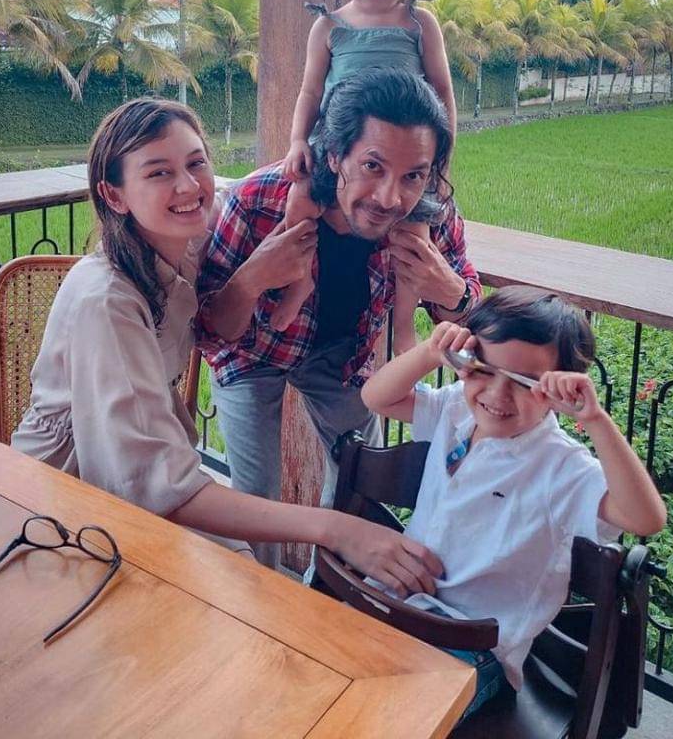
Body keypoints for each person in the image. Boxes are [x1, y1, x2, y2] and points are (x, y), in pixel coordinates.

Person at [11, 98, 443, 596]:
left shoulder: (188, 238)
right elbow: (158, 489)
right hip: (68, 498)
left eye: (196, 163)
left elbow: (272, 191)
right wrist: (336, 529)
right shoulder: (107, 303)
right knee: (244, 582)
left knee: (249, 577)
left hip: (155, 466)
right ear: (114, 195)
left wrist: (342, 185)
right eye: (158, 173)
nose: (187, 187)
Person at [196, 68, 480, 567]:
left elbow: (471, 313)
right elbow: (210, 330)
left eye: (413, 176)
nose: (390, 198)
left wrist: (450, 291)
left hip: (344, 358)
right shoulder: (260, 201)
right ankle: (259, 595)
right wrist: (251, 279)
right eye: (372, 166)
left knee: (361, 480)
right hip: (252, 352)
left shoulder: (431, 218)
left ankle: (325, 591)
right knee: (255, 495)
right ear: (333, 155)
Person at [361, 287, 667, 716]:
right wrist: (430, 352)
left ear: (559, 390)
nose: (497, 395)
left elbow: (646, 518)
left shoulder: (560, 467)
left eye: (525, 383)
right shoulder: (456, 411)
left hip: (472, 648)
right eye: (483, 370)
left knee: (387, 717)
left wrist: (595, 420)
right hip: (398, 602)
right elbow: (376, 397)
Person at [273, 0, 457, 336]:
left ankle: (402, 323)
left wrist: (439, 161)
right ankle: (298, 282)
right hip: (338, 150)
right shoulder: (329, 26)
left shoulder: (419, 24)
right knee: (299, 203)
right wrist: (297, 141)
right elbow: (310, 91)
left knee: (415, 236)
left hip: (402, 155)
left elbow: (443, 94)